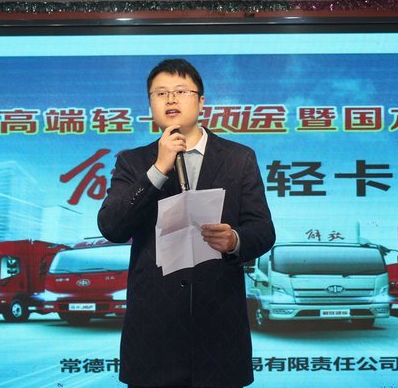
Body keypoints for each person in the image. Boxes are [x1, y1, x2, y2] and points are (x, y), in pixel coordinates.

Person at [97, 58, 275, 388]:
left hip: (219, 331)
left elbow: (263, 230)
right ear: (150, 104)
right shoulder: (133, 162)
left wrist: (234, 240)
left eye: (181, 91)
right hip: (153, 334)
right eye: (160, 93)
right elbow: (112, 226)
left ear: (201, 101)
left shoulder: (238, 158)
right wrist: (158, 169)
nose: (171, 99)